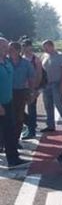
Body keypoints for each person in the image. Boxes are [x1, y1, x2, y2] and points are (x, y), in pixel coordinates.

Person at [0, 38, 30, 169]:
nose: (8, 49)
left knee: (10, 131)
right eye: (5, 46)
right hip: (1, 104)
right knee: (7, 130)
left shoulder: (6, 61)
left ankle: (13, 159)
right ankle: (13, 159)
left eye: (8, 46)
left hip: (8, 101)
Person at [40, 40, 62, 132]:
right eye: (44, 47)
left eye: (46, 47)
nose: (45, 49)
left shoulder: (60, 56)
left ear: (52, 46)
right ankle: (50, 125)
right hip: (46, 84)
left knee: (58, 104)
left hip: (56, 83)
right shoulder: (44, 56)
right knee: (48, 105)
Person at [8, 42, 35, 146]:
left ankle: (15, 140)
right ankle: (3, 142)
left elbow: (31, 78)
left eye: (12, 50)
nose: (9, 52)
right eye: (9, 50)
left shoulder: (26, 63)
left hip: (20, 92)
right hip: (7, 92)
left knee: (19, 118)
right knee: (6, 118)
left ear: (18, 51)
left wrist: (31, 92)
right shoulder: (5, 62)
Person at [21, 39, 43, 139]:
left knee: (31, 109)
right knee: (20, 109)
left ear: (30, 47)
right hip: (21, 88)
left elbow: (39, 75)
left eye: (27, 46)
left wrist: (35, 89)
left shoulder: (35, 59)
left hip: (31, 88)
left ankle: (31, 130)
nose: (25, 48)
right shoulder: (22, 58)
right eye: (23, 46)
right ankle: (30, 125)